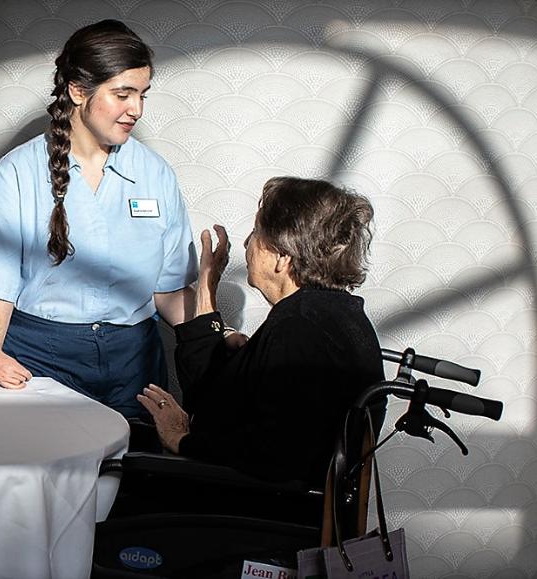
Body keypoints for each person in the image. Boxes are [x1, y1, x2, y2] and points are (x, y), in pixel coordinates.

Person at [0, 20, 199, 418]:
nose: (136, 109)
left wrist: (215, 333)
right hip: (41, 355)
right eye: (123, 94)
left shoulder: (156, 174)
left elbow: (168, 290)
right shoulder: (17, 173)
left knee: (136, 456)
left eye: (142, 95)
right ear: (78, 90)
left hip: (134, 363)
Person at [136, 176, 384, 489]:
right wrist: (208, 286)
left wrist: (180, 439)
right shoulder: (331, 312)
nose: (246, 243)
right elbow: (222, 398)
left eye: (256, 232)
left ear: (282, 257)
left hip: (262, 505)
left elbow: (265, 452)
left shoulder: (298, 326)